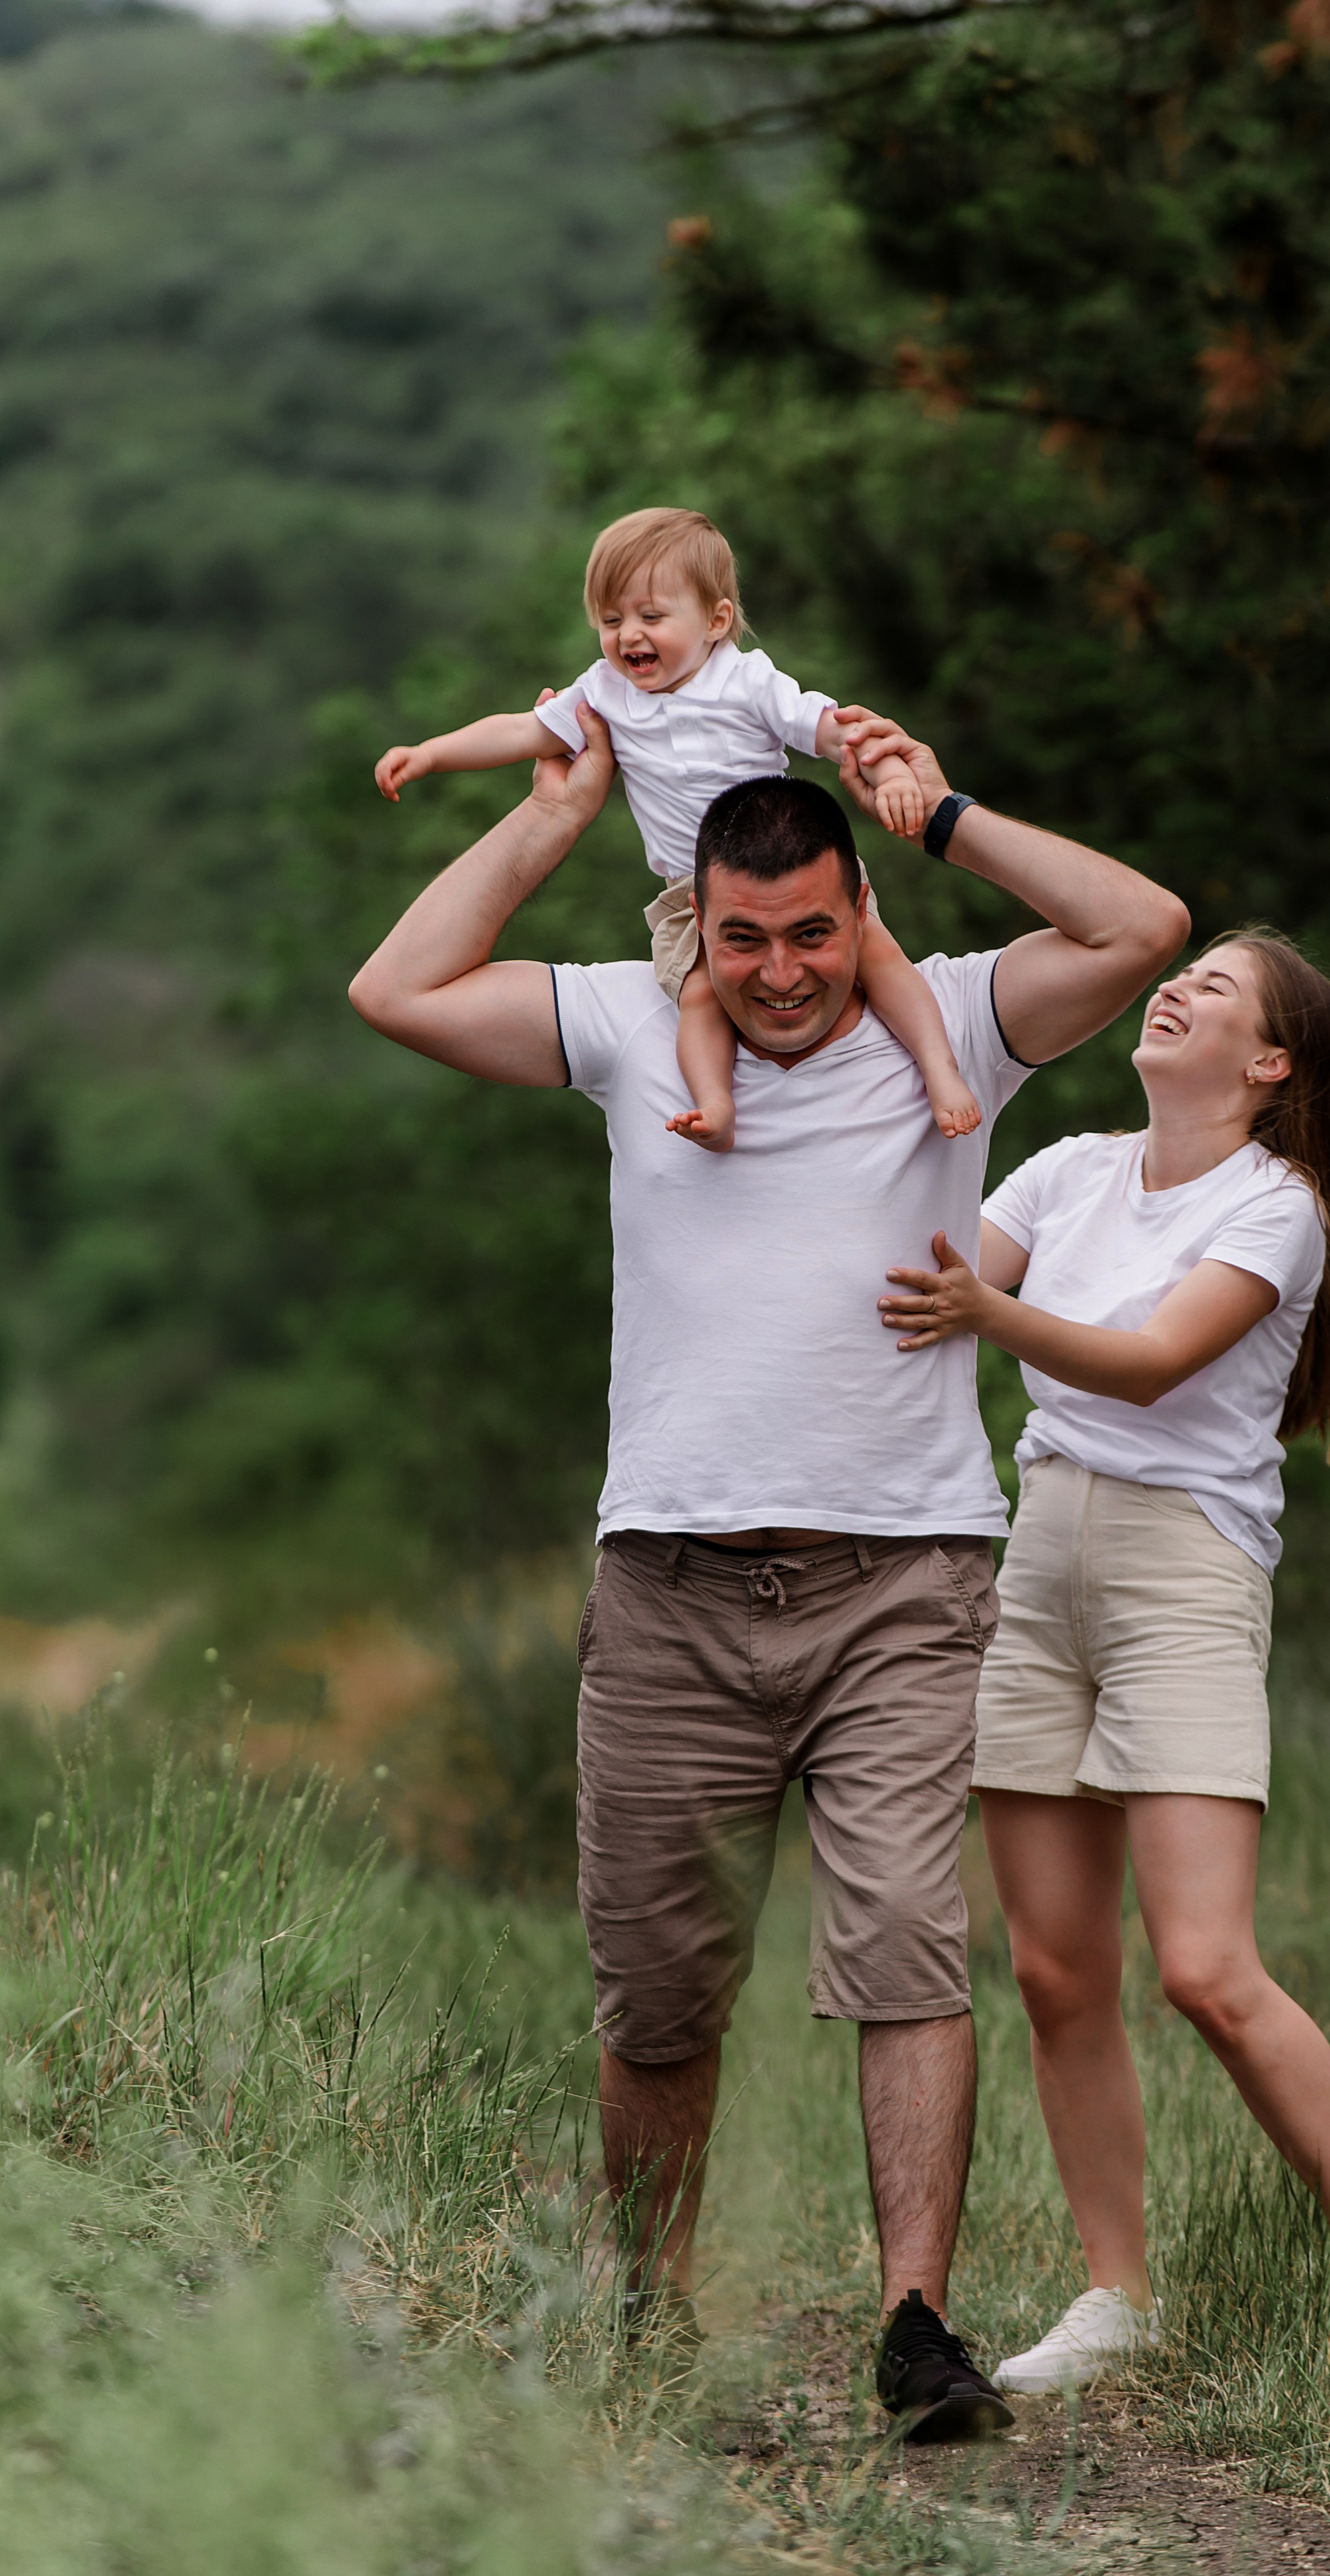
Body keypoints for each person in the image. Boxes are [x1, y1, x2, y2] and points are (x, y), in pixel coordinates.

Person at [347, 702, 1190, 2439]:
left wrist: (938, 812)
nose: (785, 972)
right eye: (746, 941)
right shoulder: (631, 1022)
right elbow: (398, 988)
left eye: (814, 932)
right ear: (699, 926)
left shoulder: (957, 1015)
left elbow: (1142, 927)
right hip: (670, 1584)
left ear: (857, 908)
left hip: (904, 1582)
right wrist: (551, 814)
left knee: (905, 1952)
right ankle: (646, 2317)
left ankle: (914, 2330)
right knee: (660, 1993)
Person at [878, 929, 1330, 2388]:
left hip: (1183, 1576)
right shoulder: (1067, 1172)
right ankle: (1117, 2295)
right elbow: (920, 1291)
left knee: (1207, 1970)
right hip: (1041, 1556)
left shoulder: (1275, 1206)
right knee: (1053, 1968)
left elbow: (1158, 1361)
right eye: (1183, 974)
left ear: (1269, 1061)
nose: (1174, 988)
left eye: (1213, 987)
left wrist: (986, 1315)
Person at [373, 505, 981, 1151]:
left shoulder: (747, 681)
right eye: (611, 621)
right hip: (688, 891)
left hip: (789, 872)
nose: (628, 636)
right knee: (698, 997)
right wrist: (431, 754)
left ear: (716, 621)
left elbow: (837, 733)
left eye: (651, 616)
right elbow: (521, 731)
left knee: (881, 958)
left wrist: (892, 776)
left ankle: (941, 1071)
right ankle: (715, 1104)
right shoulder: (604, 693)